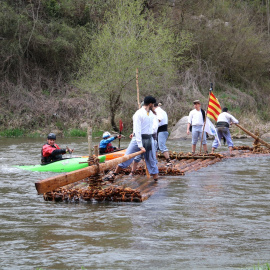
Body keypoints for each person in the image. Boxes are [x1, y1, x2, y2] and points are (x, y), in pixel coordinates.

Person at [106, 96, 159, 181]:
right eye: (153, 104)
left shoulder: (152, 114)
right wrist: (140, 145)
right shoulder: (138, 114)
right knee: (127, 157)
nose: (153, 106)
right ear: (150, 104)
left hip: (149, 139)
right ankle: (114, 174)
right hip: (138, 139)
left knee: (152, 160)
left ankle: (156, 180)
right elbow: (137, 130)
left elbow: (153, 127)